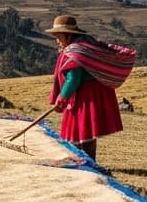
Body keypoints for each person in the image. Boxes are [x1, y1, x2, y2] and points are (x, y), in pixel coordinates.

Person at [45, 15, 136, 161]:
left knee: (84, 128)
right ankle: (83, 158)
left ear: (68, 35)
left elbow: (73, 78)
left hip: (86, 96)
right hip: (92, 92)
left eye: (58, 36)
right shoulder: (86, 45)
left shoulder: (76, 52)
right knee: (79, 128)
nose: (56, 40)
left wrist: (62, 99)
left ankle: (87, 160)